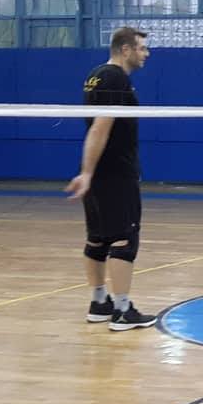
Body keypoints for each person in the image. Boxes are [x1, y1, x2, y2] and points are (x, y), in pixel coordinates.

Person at [64, 26, 156, 331]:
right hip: (115, 171)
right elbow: (101, 125)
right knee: (124, 238)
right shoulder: (116, 77)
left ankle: (99, 303)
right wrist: (87, 172)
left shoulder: (96, 75)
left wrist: (88, 172)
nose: (146, 54)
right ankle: (122, 310)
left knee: (98, 238)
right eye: (142, 48)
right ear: (126, 49)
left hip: (100, 171)